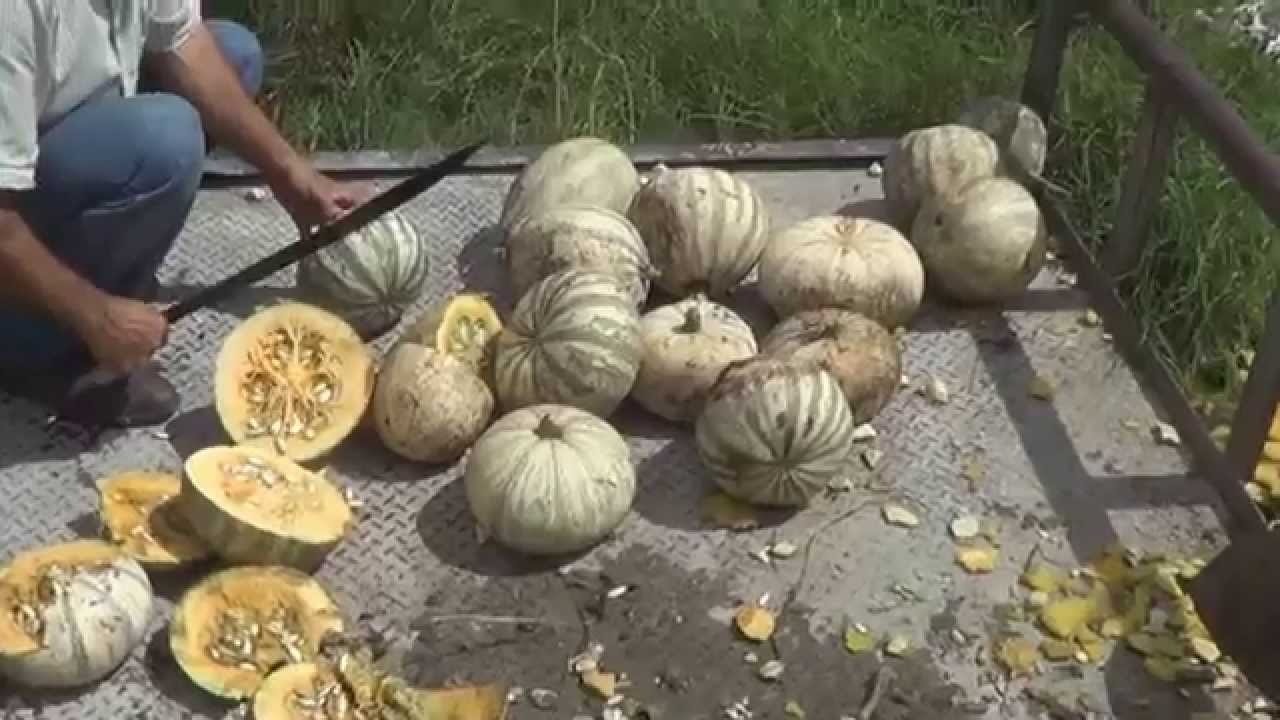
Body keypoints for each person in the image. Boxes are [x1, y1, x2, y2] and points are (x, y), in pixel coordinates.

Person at [0, 1, 365, 428]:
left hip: (54, 127)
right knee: (167, 137)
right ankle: (37, 347)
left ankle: (104, 265)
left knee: (234, 53)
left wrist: (288, 172)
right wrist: (95, 315)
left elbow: (184, 43)